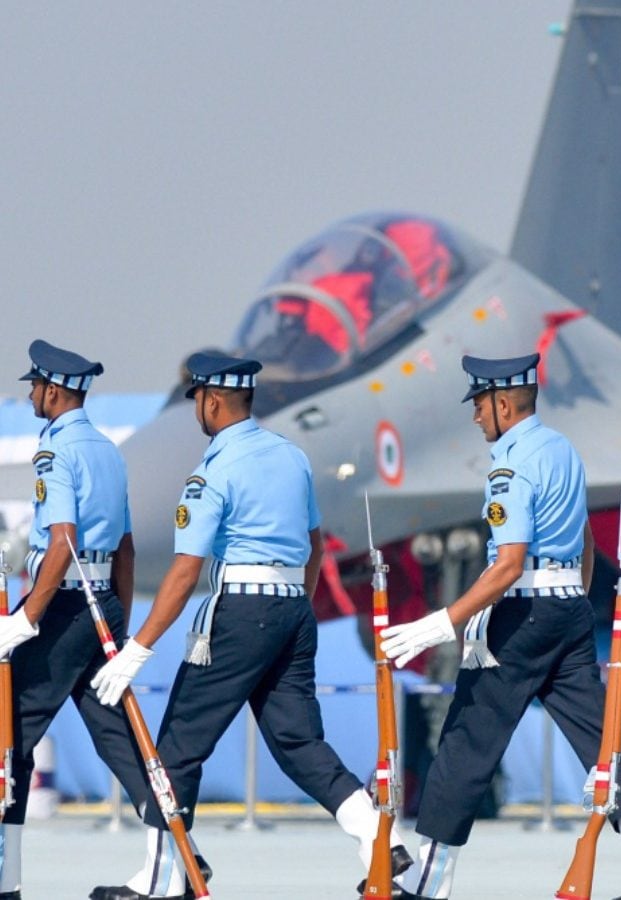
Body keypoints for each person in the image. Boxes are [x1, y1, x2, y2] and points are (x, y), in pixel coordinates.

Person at [88, 352, 404, 900]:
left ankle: (165, 877)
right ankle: (380, 836)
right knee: (298, 740)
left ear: (210, 400)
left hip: (239, 612)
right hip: (290, 610)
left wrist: (138, 648)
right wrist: (292, 614)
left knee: (178, 748)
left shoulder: (215, 468)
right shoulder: (291, 457)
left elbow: (186, 570)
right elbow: (313, 545)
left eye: (198, 404)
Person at [379, 353, 621, 900]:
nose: (475, 417)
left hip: (522, 611)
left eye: (480, 405)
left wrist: (441, 622)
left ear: (504, 403)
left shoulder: (509, 465)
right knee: (604, 744)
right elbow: (583, 540)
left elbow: (508, 564)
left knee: (465, 741)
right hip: (568, 609)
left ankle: (424, 880)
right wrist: (571, 601)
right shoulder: (562, 449)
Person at [0, 341, 151, 899]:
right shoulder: (109, 451)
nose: (31, 395)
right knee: (115, 735)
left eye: (35, 387)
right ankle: (175, 858)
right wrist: (118, 623)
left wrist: (27, 619)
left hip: (62, 605)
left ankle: (6, 878)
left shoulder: (56, 451)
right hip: (101, 603)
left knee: (9, 731)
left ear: (55, 390)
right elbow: (127, 550)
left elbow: (61, 539)